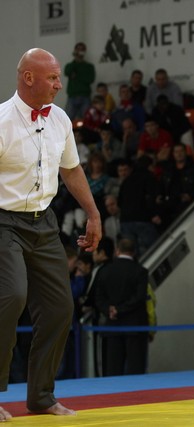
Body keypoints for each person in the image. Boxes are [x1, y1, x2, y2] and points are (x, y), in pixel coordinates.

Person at [0, 48, 102, 420]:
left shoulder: (59, 118)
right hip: (4, 221)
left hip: (44, 222)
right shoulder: (2, 121)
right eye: (53, 77)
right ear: (28, 78)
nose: (60, 85)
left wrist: (93, 213)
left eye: (59, 77)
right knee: (11, 296)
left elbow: (71, 170)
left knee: (60, 308)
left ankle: (41, 396)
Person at [94, 238, 149, 376]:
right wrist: (120, 309)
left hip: (112, 326)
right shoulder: (140, 271)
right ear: (134, 252)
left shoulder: (105, 271)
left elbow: (98, 297)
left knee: (113, 370)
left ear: (117, 251)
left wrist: (109, 309)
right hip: (135, 327)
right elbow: (139, 297)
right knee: (136, 369)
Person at [63, 42, 95, 120]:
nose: (79, 51)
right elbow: (66, 72)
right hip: (72, 97)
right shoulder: (70, 65)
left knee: (87, 120)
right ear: (75, 50)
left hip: (85, 97)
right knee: (67, 120)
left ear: (84, 51)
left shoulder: (89, 66)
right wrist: (76, 60)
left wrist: (76, 76)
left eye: (82, 49)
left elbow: (90, 79)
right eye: (78, 49)